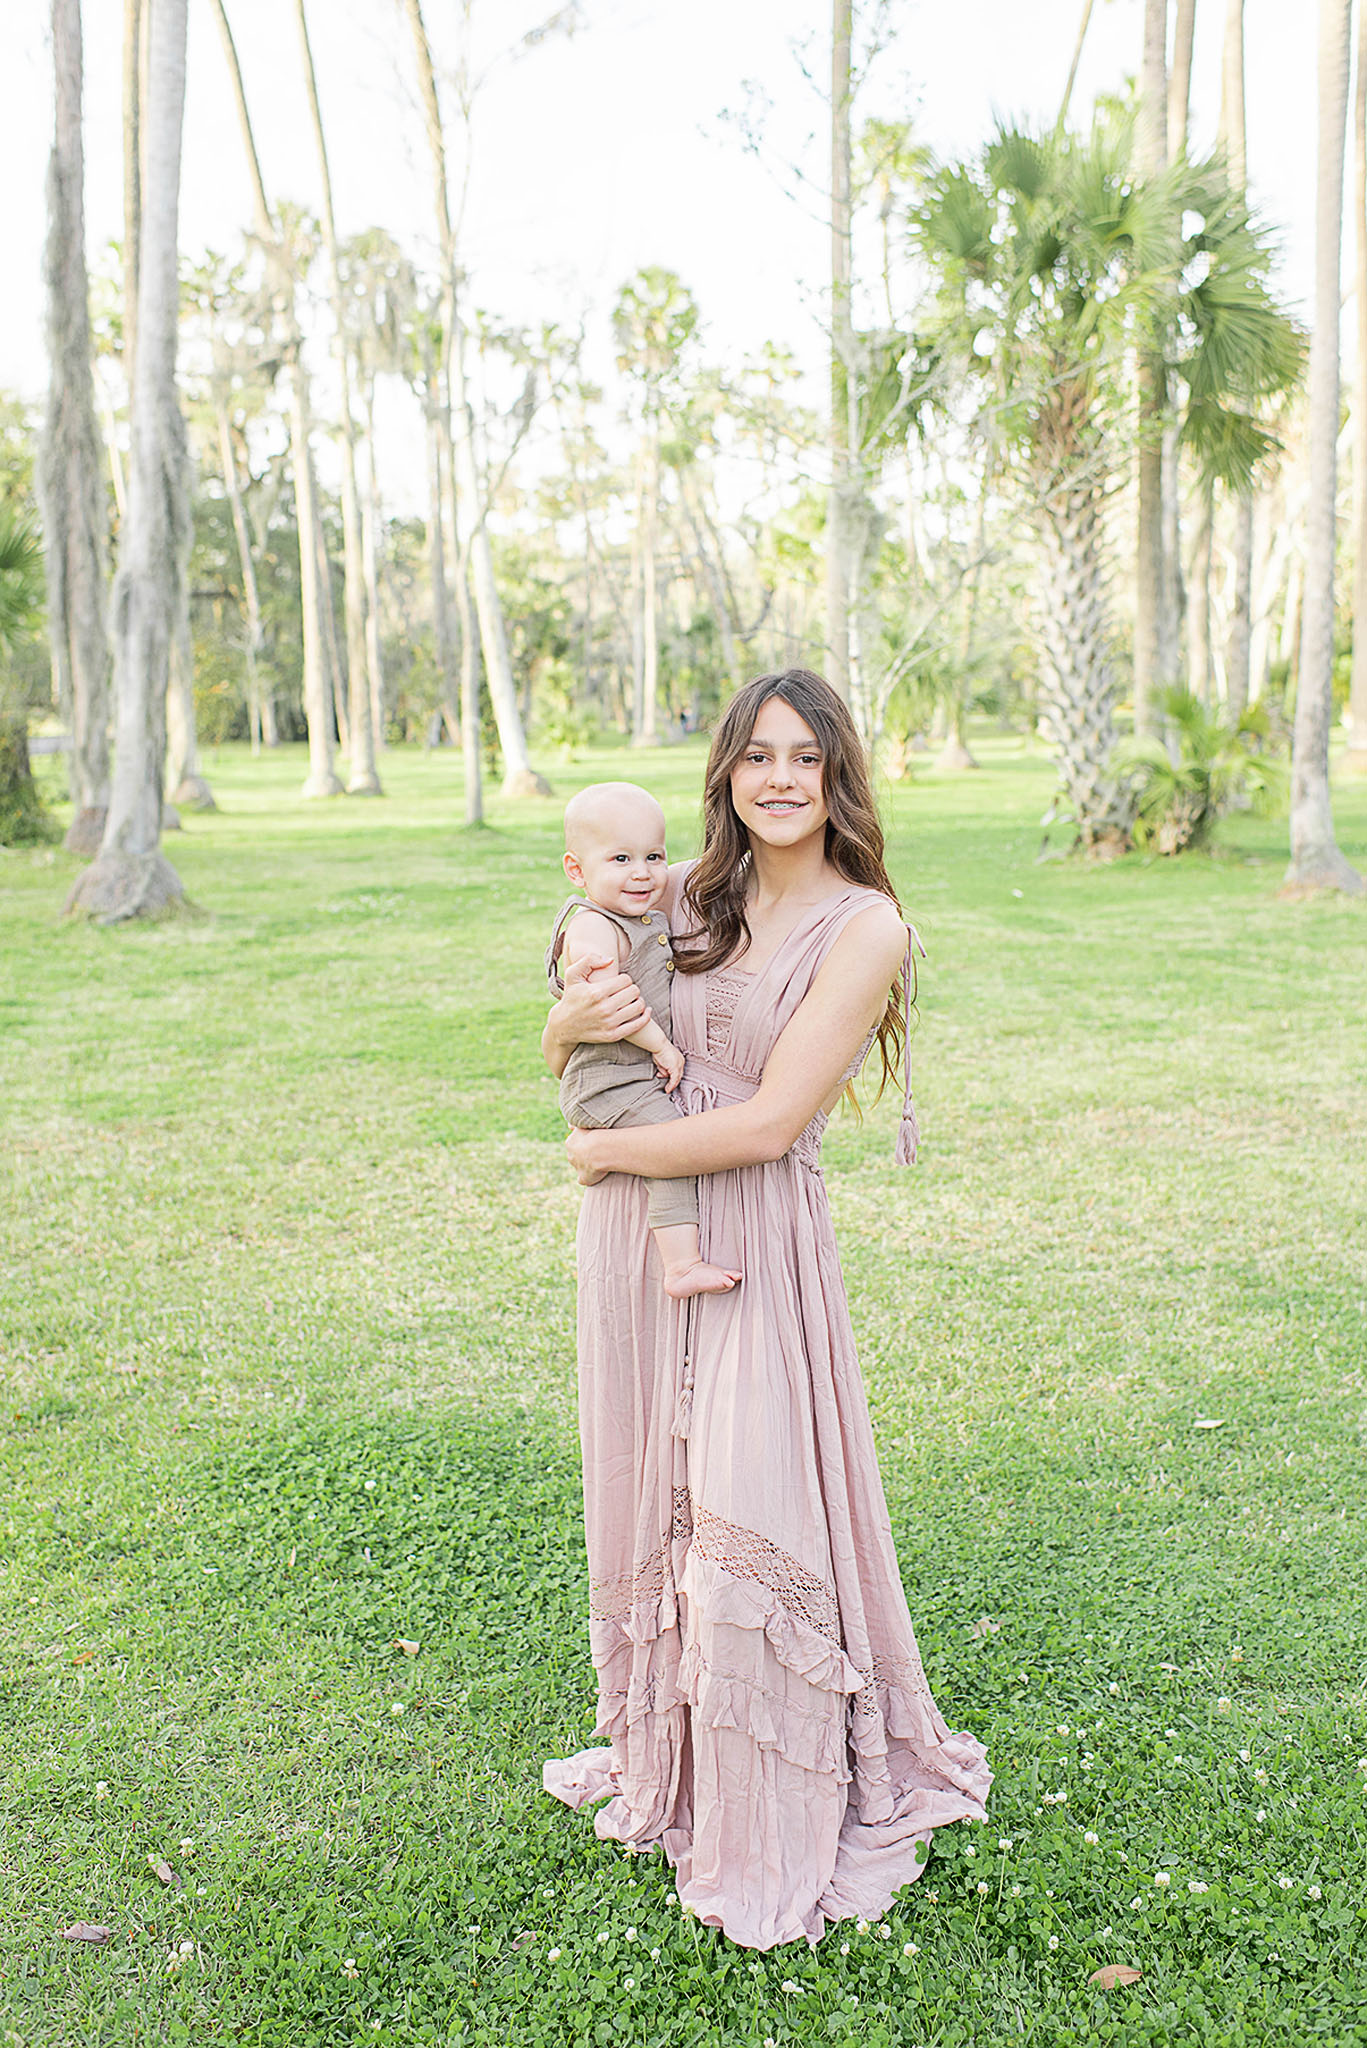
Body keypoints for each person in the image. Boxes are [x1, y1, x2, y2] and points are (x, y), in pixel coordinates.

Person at [540, 670, 991, 1950]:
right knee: (653, 1476)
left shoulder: (864, 928)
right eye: (756, 757)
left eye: (805, 756)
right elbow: (584, 1049)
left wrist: (602, 1155)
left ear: (838, 774)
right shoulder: (675, 893)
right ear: (726, 773)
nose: (779, 779)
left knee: (748, 1488)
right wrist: (561, 1030)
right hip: (637, 1235)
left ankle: (772, 1804)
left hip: (746, 1229)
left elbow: (773, 1119)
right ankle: (671, 1765)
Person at [547, 780, 742, 1300]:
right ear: (576, 869)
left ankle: (604, 1160)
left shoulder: (641, 917)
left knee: (666, 1138)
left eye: (654, 855)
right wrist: (660, 1045)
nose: (642, 872)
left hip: (625, 1079)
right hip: (609, 1081)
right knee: (667, 1144)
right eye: (620, 858)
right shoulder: (592, 927)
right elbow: (615, 1002)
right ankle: (681, 1265)